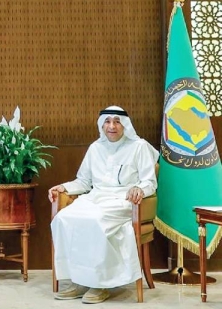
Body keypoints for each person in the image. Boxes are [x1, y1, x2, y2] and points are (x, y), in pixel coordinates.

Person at [49, 106, 158, 304]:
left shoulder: (138, 146)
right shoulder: (95, 148)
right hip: (96, 198)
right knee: (63, 219)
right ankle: (76, 280)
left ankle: (100, 284)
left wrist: (139, 189)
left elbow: (149, 182)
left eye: (117, 121)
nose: (112, 126)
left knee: (96, 220)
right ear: (102, 125)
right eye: (107, 122)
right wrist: (62, 187)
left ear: (125, 125)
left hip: (123, 200)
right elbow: (83, 182)